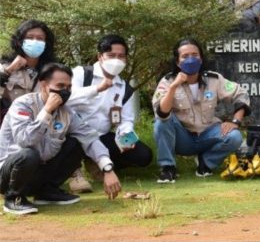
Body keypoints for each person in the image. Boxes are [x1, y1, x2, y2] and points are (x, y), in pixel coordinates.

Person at [0, 63, 122, 215]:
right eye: (60, 85)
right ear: (43, 85)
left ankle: (47, 192)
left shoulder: (67, 113)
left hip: (38, 172)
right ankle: (13, 198)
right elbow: (25, 140)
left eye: (69, 87)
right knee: (28, 154)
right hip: (9, 174)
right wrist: (47, 111)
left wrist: (107, 169)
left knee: (77, 143)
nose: (65, 91)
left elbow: (90, 138)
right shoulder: (23, 105)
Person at [152, 38, 251, 183]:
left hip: (207, 134)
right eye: (185, 56)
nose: (190, 59)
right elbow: (162, 112)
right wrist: (174, 87)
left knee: (235, 137)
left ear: (201, 58)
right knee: (161, 122)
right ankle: (168, 168)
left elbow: (241, 94)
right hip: (182, 138)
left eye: (195, 55)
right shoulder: (167, 81)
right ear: (178, 62)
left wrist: (235, 121)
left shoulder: (214, 79)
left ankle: (205, 163)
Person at [68, 35, 152, 191]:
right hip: (75, 134)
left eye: (121, 56)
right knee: (69, 142)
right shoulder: (82, 74)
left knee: (143, 155)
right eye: (111, 55)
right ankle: (74, 171)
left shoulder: (124, 87)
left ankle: (98, 164)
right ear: (100, 57)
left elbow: (125, 119)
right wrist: (97, 89)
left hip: (102, 136)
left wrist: (125, 135)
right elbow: (66, 99)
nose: (116, 60)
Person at [0, 20, 56, 122]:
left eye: (40, 38)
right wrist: (9, 70)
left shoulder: (52, 71)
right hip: (10, 127)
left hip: (40, 127)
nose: (35, 41)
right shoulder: (4, 67)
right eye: (30, 37)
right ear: (20, 41)